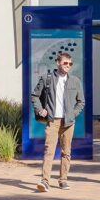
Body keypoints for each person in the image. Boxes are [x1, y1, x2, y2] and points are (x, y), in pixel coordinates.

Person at [30, 52, 85, 192]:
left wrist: (73, 113)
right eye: (65, 63)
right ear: (58, 63)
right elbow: (35, 96)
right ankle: (45, 181)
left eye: (70, 64)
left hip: (68, 122)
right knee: (49, 150)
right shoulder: (46, 79)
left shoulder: (75, 81)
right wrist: (40, 109)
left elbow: (81, 102)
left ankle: (63, 180)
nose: (68, 66)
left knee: (66, 152)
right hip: (52, 121)